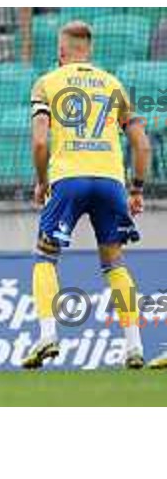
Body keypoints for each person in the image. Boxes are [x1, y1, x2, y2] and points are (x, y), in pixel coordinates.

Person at [23, 20, 151, 370]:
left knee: (45, 256)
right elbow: (142, 144)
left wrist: (40, 181)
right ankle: (134, 346)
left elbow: (38, 142)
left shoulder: (47, 82)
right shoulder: (113, 84)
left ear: (61, 52)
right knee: (114, 262)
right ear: (89, 50)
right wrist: (136, 188)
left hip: (68, 178)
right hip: (111, 180)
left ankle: (48, 335)